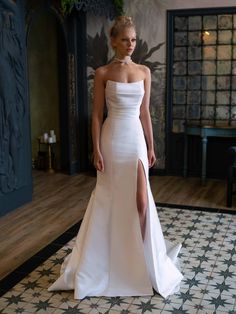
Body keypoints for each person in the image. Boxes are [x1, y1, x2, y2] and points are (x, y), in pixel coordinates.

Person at [48, 16, 183, 299]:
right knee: (109, 199)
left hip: (134, 138)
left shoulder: (145, 72)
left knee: (142, 202)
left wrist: (151, 145)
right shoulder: (102, 73)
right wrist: (95, 148)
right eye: (125, 39)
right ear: (113, 41)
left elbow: (144, 113)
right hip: (111, 140)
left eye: (133, 40)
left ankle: (143, 261)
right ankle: (108, 263)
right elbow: (97, 115)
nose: (130, 44)